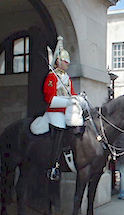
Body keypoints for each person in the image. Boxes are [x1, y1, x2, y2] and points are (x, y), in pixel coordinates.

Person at [37, 36, 87, 180]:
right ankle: (53, 166)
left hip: (67, 110)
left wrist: (78, 99)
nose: (67, 64)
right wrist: (68, 101)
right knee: (59, 128)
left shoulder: (66, 78)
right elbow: (50, 99)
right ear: (58, 61)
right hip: (55, 111)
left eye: (68, 62)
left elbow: (72, 94)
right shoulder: (52, 77)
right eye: (65, 61)